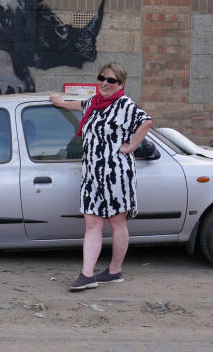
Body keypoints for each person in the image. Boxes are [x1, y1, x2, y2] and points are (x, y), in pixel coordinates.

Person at [49, 62, 153, 292]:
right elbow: (72, 105)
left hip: (116, 172)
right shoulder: (92, 103)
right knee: (92, 223)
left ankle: (115, 271)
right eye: (102, 78)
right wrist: (58, 101)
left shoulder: (124, 104)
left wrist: (131, 146)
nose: (105, 83)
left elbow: (146, 121)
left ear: (121, 84)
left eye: (112, 80)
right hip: (92, 174)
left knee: (117, 222)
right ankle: (87, 275)